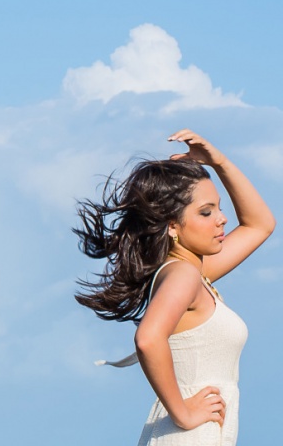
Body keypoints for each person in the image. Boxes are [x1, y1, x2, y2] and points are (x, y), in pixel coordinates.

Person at [75, 129, 275, 445]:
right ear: (171, 224)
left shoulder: (194, 273)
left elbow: (259, 224)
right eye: (206, 212)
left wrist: (219, 162)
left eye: (218, 208)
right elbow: (148, 338)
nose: (222, 219)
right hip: (190, 434)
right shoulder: (182, 274)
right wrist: (182, 413)